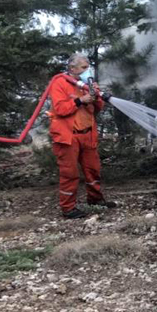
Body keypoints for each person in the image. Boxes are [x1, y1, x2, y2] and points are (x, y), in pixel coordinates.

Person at [46, 53, 116, 219]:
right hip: (68, 136)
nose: (88, 71)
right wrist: (80, 100)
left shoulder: (86, 84)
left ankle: (95, 200)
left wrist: (96, 96)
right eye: (84, 67)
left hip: (87, 134)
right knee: (69, 173)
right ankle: (68, 208)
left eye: (88, 67)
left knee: (93, 169)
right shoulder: (59, 83)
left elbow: (98, 109)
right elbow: (61, 109)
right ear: (72, 68)